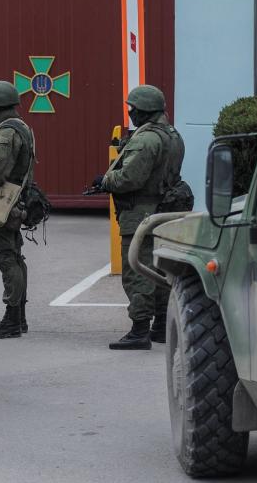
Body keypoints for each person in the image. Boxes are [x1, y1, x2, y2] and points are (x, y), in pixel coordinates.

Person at [91, 84, 184, 350]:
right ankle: (162, 326)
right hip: (165, 212)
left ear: (143, 111)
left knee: (137, 272)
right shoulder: (173, 135)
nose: (130, 113)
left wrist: (105, 180)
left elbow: (130, 178)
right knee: (161, 269)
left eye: (133, 109)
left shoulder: (146, 139)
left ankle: (139, 330)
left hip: (141, 215)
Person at [0, 81, 35, 340]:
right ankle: (19, 317)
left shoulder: (4, 133)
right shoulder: (22, 127)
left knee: (7, 258)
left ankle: (12, 318)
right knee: (15, 256)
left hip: (4, 202)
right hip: (17, 200)